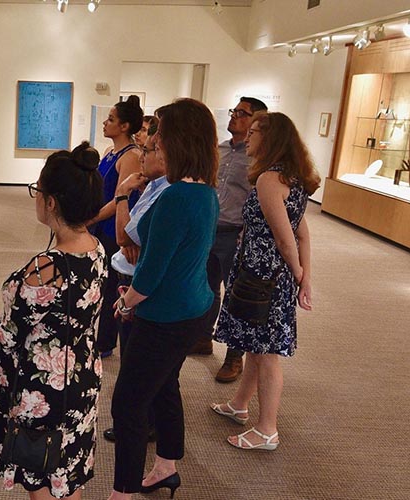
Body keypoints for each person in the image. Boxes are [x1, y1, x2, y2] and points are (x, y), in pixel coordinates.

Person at [0, 142, 107, 500]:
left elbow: (11, 333)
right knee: (64, 474)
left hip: (45, 391)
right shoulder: (96, 249)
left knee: (43, 479)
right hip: (81, 378)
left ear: (51, 202)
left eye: (38, 190)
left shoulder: (47, 268)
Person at [107, 99, 220, 500]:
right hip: (191, 308)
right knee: (165, 385)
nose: (151, 140)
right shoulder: (203, 192)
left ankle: (123, 493)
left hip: (166, 315)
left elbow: (151, 273)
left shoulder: (175, 197)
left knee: (129, 403)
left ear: (177, 140)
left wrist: (127, 302)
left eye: (159, 133)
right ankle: (166, 466)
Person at [211, 112, 318, 451]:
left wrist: (302, 279)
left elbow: (287, 238)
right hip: (268, 274)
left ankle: (267, 429)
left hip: (264, 275)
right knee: (255, 346)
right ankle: (241, 404)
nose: (249, 136)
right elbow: (303, 235)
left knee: (266, 352)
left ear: (269, 138)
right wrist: (303, 276)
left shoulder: (270, 180)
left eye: (255, 131)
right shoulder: (292, 178)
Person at [190, 97, 268, 384]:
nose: (234, 116)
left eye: (242, 113)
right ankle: (202, 338)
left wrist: (248, 234)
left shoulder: (257, 158)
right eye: (234, 111)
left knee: (235, 294)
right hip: (211, 228)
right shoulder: (220, 150)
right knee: (207, 287)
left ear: (257, 121)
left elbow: (259, 201)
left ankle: (235, 357)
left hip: (237, 233)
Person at [101, 123, 171, 444]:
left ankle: (143, 427)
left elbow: (123, 235)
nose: (142, 154)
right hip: (126, 275)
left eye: (149, 149)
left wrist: (121, 195)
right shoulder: (153, 186)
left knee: (137, 366)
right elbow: (128, 237)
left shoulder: (166, 192)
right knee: (131, 357)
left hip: (137, 283)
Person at [89, 95, 144, 358]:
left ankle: (106, 341)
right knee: (101, 283)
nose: (105, 122)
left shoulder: (131, 155)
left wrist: (94, 217)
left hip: (114, 226)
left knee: (112, 285)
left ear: (124, 126)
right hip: (101, 223)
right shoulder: (110, 152)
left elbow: (120, 198)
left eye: (111, 119)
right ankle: (100, 335)